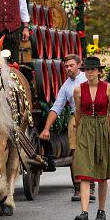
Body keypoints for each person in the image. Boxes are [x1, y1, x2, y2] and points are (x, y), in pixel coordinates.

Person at [72, 56, 110, 220]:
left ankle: (101, 210)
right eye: (86, 69)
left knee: (102, 172)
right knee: (84, 171)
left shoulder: (109, 88)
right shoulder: (78, 90)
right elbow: (77, 113)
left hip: (102, 128)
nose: (89, 73)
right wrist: (79, 131)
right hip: (85, 129)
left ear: (99, 71)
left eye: (92, 69)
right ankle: (84, 212)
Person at [39, 54, 94, 201]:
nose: (68, 68)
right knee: (76, 153)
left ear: (79, 65)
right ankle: (77, 189)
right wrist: (46, 128)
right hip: (74, 119)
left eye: (71, 65)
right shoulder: (66, 85)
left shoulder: (88, 78)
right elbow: (56, 107)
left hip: (91, 118)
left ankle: (91, 186)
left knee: (90, 151)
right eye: (66, 66)